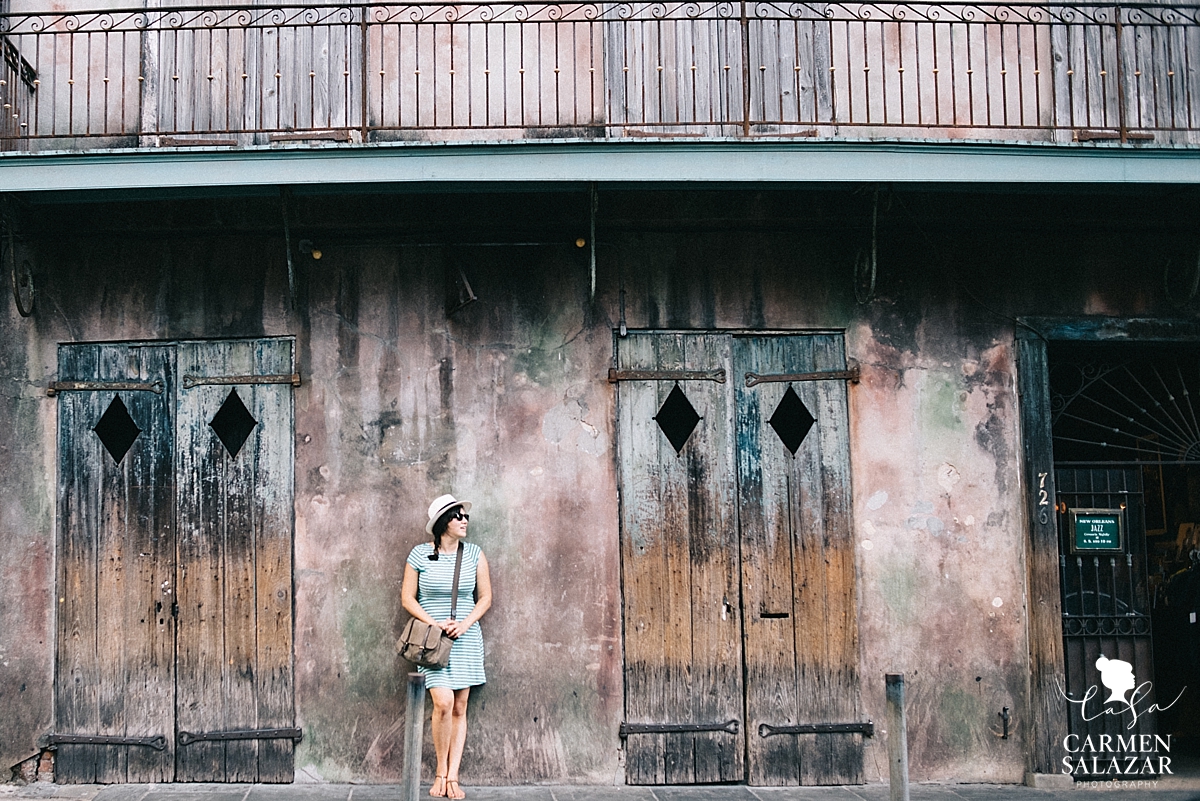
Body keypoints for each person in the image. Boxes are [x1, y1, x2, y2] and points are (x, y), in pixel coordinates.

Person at [401, 494, 492, 800]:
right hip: (431, 641)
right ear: (442, 524)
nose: (465, 520)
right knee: (442, 703)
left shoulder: (475, 554)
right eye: (458, 516)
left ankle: (453, 776)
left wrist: (464, 624)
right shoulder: (418, 555)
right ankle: (440, 770)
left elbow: (485, 598)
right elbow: (407, 598)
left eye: (465, 516)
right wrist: (434, 623)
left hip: (465, 639)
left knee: (460, 707)